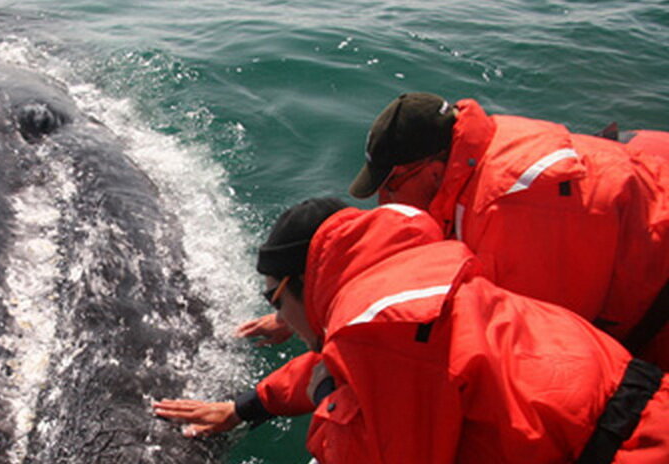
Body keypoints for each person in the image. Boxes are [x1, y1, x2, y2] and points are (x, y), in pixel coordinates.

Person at [155, 198, 669, 464]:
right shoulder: (409, 279)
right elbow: (348, 362)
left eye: (274, 299)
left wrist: (332, 413)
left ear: (301, 283)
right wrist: (250, 405)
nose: (277, 317)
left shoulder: (377, 331)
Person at [238, 95, 669, 369]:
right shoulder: (483, 149)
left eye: (392, 185)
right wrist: (302, 309)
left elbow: (529, 352)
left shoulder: (505, 214)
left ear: (433, 169)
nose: (384, 201)